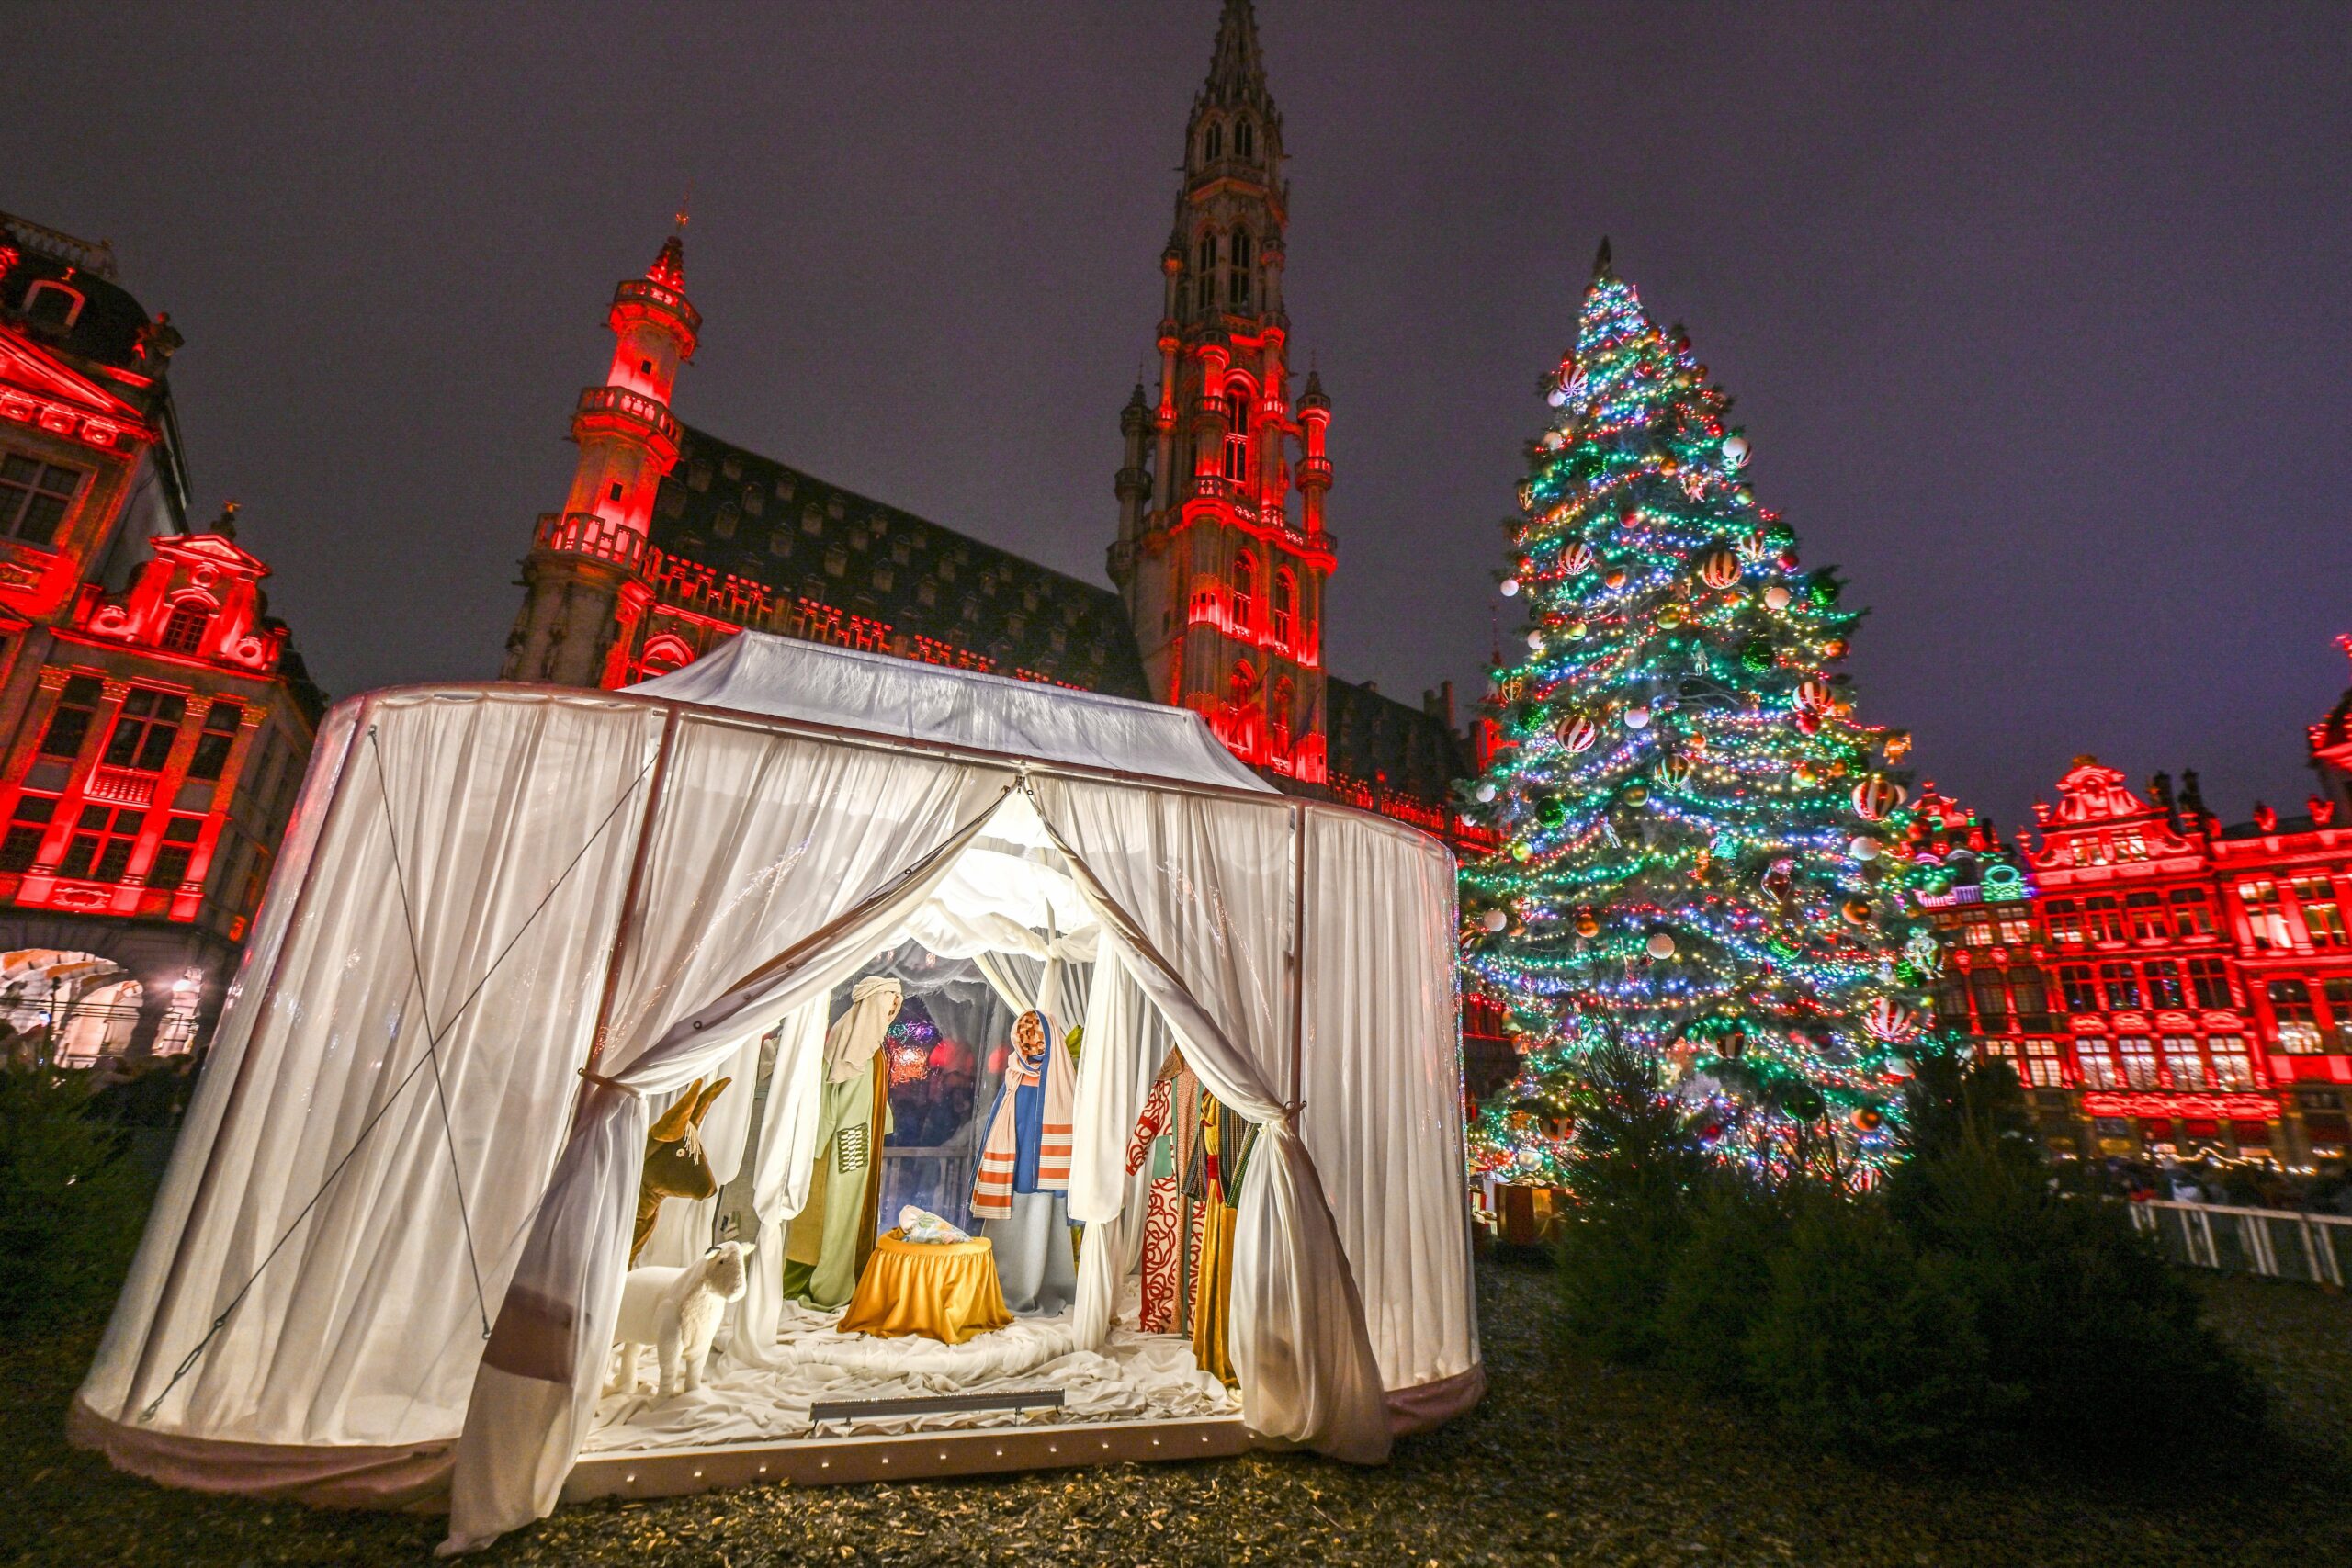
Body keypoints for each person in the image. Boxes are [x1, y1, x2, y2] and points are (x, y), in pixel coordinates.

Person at [972, 1010, 1078, 1314]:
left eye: (1037, 1035)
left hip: (1047, 1172)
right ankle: (1000, 1287)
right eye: (1025, 1035)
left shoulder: (1061, 1079)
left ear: (1050, 1038)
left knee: (1042, 1230)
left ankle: (1041, 1285)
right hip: (1012, 1171)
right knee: (1007, 1232)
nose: (1030, 1042)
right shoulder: (1014, 1074)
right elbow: (998, 1123)